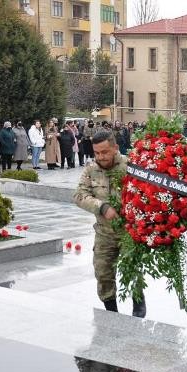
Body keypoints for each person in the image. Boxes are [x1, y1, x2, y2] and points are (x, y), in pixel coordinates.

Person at [74, 131, 146, 317]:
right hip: (104, 233)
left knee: (132, 271)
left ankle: (138, 306)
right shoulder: (91, 169)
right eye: (96, 153)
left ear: (115, 148)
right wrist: (101, 206)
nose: (100, 157)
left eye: (104, 152)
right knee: (103, 274)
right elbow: (79, 196)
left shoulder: (131, 166)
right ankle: (111, 313)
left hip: (129, 233)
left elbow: (147, 194)